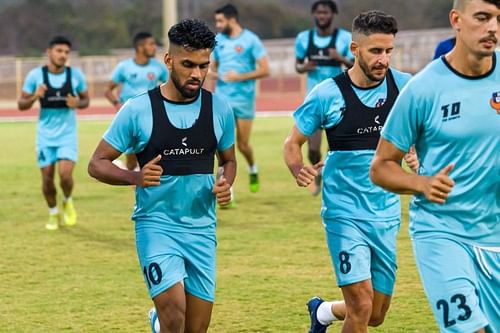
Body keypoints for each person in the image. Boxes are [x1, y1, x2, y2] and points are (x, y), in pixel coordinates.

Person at [88, 19, 236, 333]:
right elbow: (97, 163)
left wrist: (226, 183)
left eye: (204, 65)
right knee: (174, 316)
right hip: (156, 226)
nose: (197, 74)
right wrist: (135, 177)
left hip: (201, 230)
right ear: (168, 60)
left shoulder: (220, 109)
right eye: (188, 65)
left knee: (195, 328)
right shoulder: (137, 110)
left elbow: (229, 160)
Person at [370, 0, 499, 332]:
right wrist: (422, 184)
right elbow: (381, 166)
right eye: (483, 18)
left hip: (494, 233)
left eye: (498, 19)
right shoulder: (423, 89)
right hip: (442, 232)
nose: (493, 28)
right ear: (456, 19)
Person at [284, 11, 417, 333]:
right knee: (361, 305)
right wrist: (298, 168)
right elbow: (293, 142)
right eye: (375, 51)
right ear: (355, 50)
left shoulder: (407, 87)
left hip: (385, 214)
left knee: (375, 314)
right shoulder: (328, 93)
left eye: (388, 51)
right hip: (344, 214)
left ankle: (324, 312)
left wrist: (416, 153)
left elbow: (425, 134)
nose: (383, 59)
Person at [17, 36, 89, 230]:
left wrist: (78, 103)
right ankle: (53, 213)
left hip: (67, 135)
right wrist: (35, 96)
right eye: (59, 51)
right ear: (49, 52)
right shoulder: (35, 76)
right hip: (45, 137)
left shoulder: (75, 75)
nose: (63, 55)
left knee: (65, 175)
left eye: (66, 52)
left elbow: (85, 100)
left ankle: (67, 200)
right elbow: (21, 105)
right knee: (47, 179)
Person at [295, 0, 354, 195]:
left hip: (340, 99)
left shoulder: (344, 38)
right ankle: (318, 171)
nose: (322, 16)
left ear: (332, 15)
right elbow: (298, 66)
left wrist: (341, 59)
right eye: (319, 13)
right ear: (314, 15)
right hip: (315, 100)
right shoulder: (304, 38)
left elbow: (355, 66)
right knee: (313, 149)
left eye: (326, 13)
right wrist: (305, 67)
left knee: (336, 148)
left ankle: (331, 180)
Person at [212, 3, 270, 194]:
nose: (218, 25)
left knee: (243, 144)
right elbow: (212, 66)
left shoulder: (251, 40)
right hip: (222, 99)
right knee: (222, 146)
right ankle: (227, 188)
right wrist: (211, 73)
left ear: (232, 19)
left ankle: (252, 168)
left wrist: (240, 77)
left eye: (220, 21)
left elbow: (265, 70)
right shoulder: (218, 40)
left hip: (244, 100)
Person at [105, 31, 168, 171]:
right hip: (130, 117)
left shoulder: (158, 67)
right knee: (132, 161)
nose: (154, 47)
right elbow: (108, 90)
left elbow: (171, 85)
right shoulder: (124, 67)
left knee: (154, 154)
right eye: (151, 44)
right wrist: (117, 104)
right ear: (140, 47)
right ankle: (129, 171)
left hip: (151, 116)